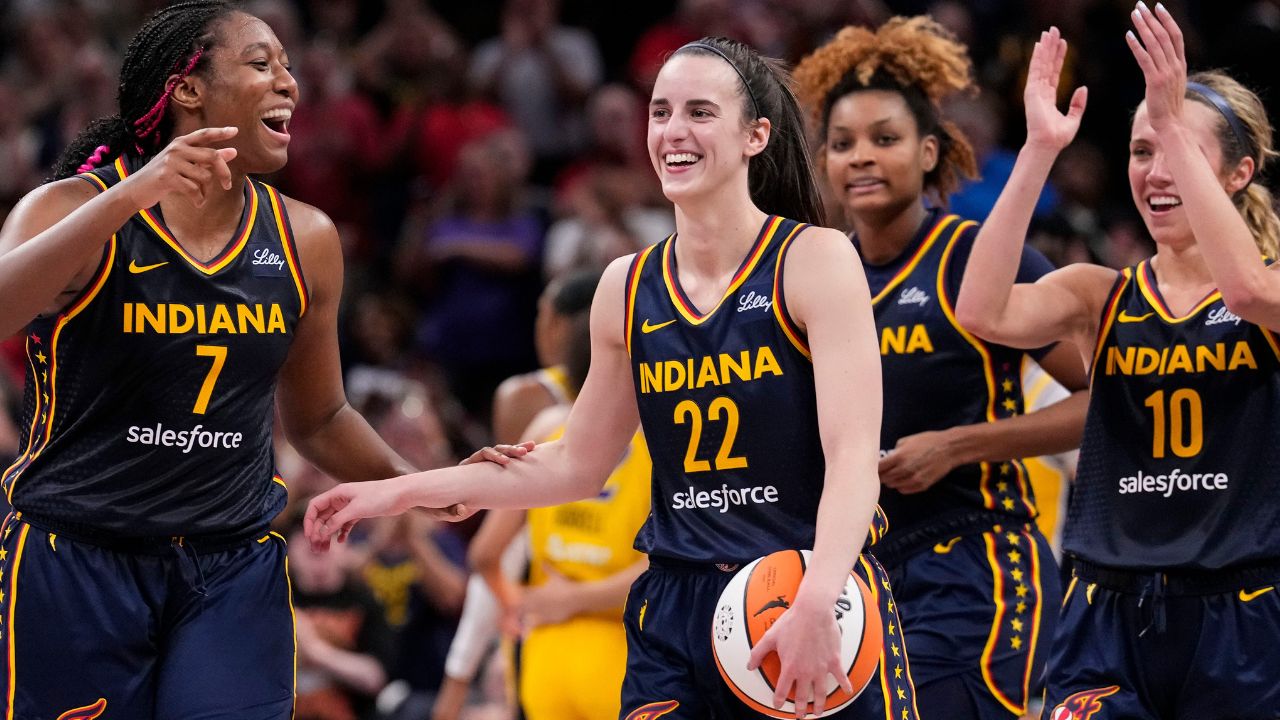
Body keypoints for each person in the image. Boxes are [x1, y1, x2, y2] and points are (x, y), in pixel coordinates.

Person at [309, 36, 920, 720]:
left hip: (803, 587)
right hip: (676, 611)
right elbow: (575, 463)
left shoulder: (814, 260)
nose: (672, 131)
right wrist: (399, 492)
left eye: (698, 112)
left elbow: (853, 457)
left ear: (756, 135)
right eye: (660, 112)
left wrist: (818, 597)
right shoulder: (625, 287)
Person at [0, 3, 457, 717]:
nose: (290, 83)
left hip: (231, 561)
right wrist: (133, 194)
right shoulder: (70, 210)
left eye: (289, 66)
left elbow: (321, 416)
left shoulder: (304, 237)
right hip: (79, 557)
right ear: (188, 88)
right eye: (261, 63)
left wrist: (413, 483)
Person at [955, 7, 1280, 718]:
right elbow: (981, 312)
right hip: (1107, 608)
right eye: (1141, 150)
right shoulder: (1100, 296)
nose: (1156, 172)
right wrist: (1039, 149)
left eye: (1178, 150)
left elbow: (1249, 288)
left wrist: (1168, 118)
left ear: (1240, 173)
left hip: (1243, 613)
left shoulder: (1269, 292)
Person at [790, 18, 1088, 719]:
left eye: (884, 139)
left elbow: (1107, 400)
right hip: (854, 574)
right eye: (841, 144)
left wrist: (957, 447)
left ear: (930, 153)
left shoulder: (978, 257)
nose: (860, 157)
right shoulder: (810, 277)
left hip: (976, 560)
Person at [468, 312, 652, 720]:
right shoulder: (658, 436)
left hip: (544, 659)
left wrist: (518, 605)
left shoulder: (547, 428)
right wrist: (575, 600)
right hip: (624, 655)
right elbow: (661, 569)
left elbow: (483, 554)